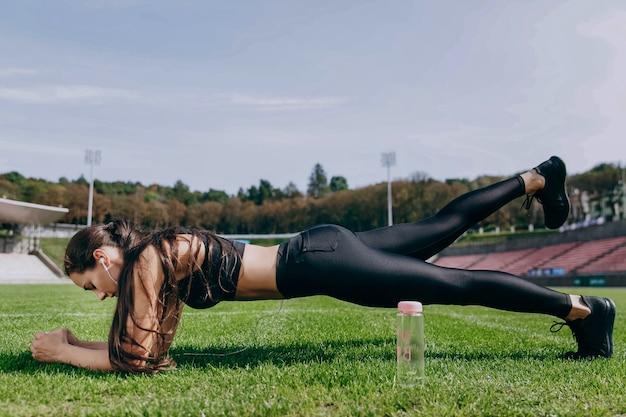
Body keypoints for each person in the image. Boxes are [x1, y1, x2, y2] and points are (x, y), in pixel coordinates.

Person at [30, 156, 616, 374]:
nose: (99, 295)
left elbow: (139, 360)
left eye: (90, 285)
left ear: (104, 258)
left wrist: (63, 349)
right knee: (441, 227)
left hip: (321, 262)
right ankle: (538, 177)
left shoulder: (146, 261)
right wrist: (84, 341)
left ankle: (584, 310)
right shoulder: (154, 256)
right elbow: (148, 345)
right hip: (320, 251)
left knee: (450, 285)